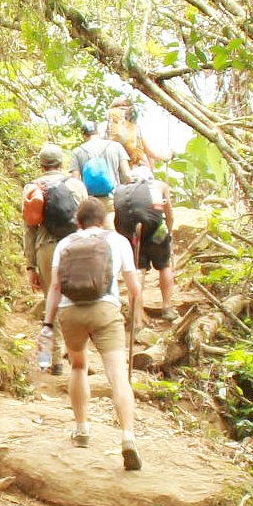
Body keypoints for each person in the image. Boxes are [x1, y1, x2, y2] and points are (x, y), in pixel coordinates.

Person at [44, 195, 144, 472]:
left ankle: (82, 429)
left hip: (71, 312)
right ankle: (128, 437)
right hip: (104, 310)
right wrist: (136, 310)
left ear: (78, 221)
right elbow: (134, 287)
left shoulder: (65, 243)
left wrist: (47, 323)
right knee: (118, 378)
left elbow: (54, 287)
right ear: (104, 220)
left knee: (78, 366)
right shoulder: (118, 241)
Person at [20, 145, 87, 372]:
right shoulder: (77, 185)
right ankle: (79, 356)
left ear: (41, 165)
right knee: (78, 300)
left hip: (46, 248)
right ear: (62, 163)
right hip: (76, 247)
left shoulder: (33, 187)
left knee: (53, 301)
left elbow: (29, 229)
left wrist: (31, 265)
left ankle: (56, 361)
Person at [112, 158, 177, 315]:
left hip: (130, 231)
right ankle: (167, 307)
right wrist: (167, 233)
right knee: (164, 266)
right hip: (155, 229)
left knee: (138, 270)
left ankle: (137, 312)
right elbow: (169, 216)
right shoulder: (160, 186)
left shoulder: (121, 190)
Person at [73, 122, 125, 198]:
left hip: (91, 202)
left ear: (83, 135)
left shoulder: (77, 151)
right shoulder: (115, 146)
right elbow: (126, 174)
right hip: (114, 198)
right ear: (98, 132)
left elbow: (76, 181)